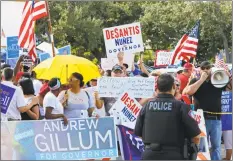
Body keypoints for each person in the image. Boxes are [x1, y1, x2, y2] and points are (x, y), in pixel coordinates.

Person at [134, 73, 201, 160]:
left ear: (157, 88)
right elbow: (196, 136)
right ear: (173, 86)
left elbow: (138, 133)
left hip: (149, 155)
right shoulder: (182, 107)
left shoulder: (146, 107)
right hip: (174, 155)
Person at [184, 61, 232, 160]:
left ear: (211, 69)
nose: (206, 70)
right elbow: (188, 91)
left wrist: (229, 77)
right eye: (203, 68)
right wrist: (202, 79)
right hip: (200, 120)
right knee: (201, 147)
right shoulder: (195, 80)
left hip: (216, 119)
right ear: (200, 70)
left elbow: (230, 89)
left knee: (216, 147)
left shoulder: (218, 80)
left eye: (208, 68)